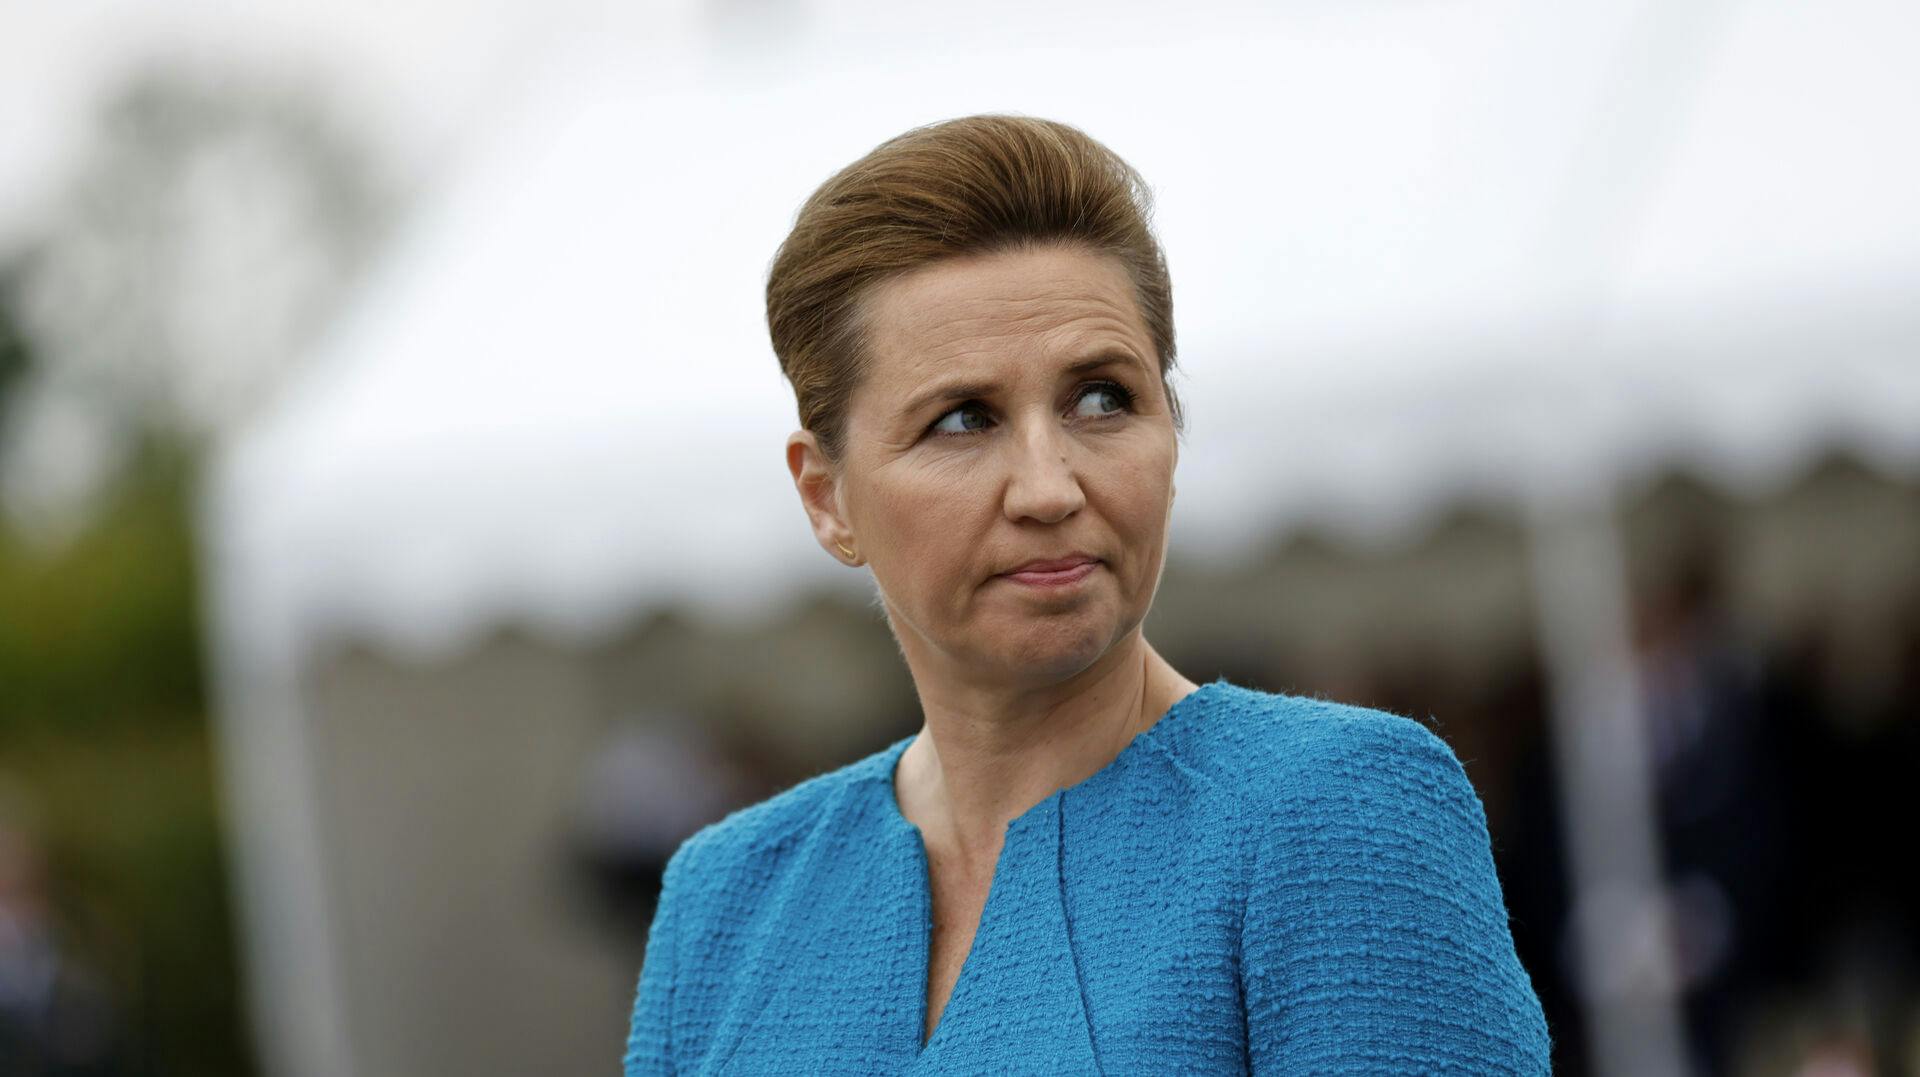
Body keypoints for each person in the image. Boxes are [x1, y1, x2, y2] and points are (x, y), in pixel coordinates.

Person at [623, 114, 1551, 1074]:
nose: (1049, 488)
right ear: (827, 498)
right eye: (962, 419)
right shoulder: (726, 901)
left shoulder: (1336, 813)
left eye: (1103, 398)